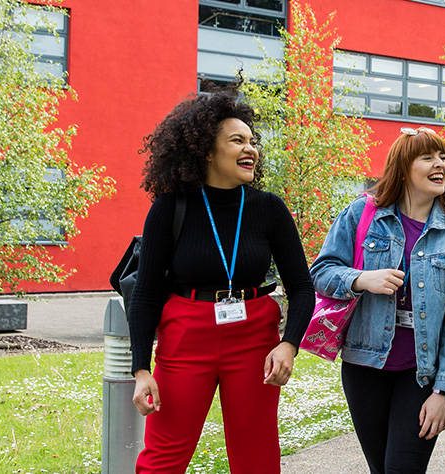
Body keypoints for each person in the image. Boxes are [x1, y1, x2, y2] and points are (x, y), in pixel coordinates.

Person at [128, 92, 315, 473]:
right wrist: (141, 370)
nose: (251, 149)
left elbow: (302, 287)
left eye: (252, 141)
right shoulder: (171, 207)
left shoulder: (269, 208)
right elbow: (146, 293)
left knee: (257, 458)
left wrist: (289, 345)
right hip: (186, 334)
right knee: (163, 457)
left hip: (254, 340)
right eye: (237, 141)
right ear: (207, 151)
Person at [310, 126, 445, 474]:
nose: (441, 165)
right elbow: (321, 272)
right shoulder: (362, 214)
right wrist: (360, 279)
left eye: (443, 157)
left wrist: (444, 391)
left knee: (403, 468)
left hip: (420, 374)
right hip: (364, 367)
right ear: (403, 169)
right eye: (428, 157)